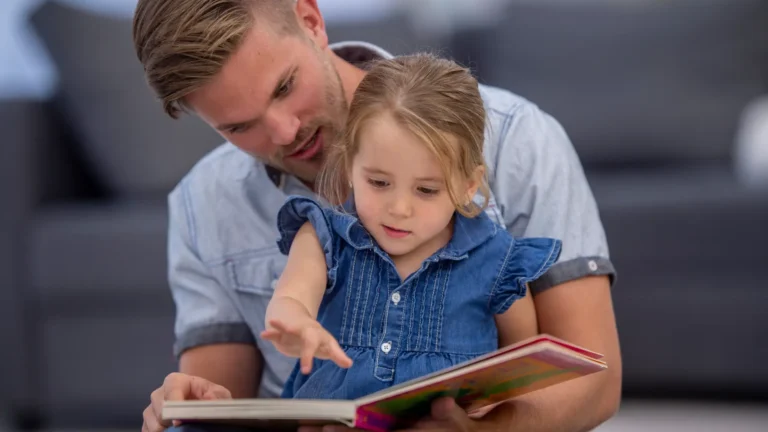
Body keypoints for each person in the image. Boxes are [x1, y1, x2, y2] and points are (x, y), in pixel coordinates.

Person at [132, 1, 622, 431]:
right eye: (239, 126)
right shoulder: (202, 203)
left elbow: (593, 382)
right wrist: (192, 407)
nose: (284, 134)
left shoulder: (519, 140)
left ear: (310, 18)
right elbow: (222, 402)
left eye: (284, 87)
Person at [261, 53, 561, 401]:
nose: (400, 209)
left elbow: (520, 364)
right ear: (348, 167)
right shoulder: (323, 237)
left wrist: (494, 404)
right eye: (379, 183)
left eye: (426, 190)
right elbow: (290, 298)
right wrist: (295, 323)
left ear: (468, 184)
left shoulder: (497, 262)